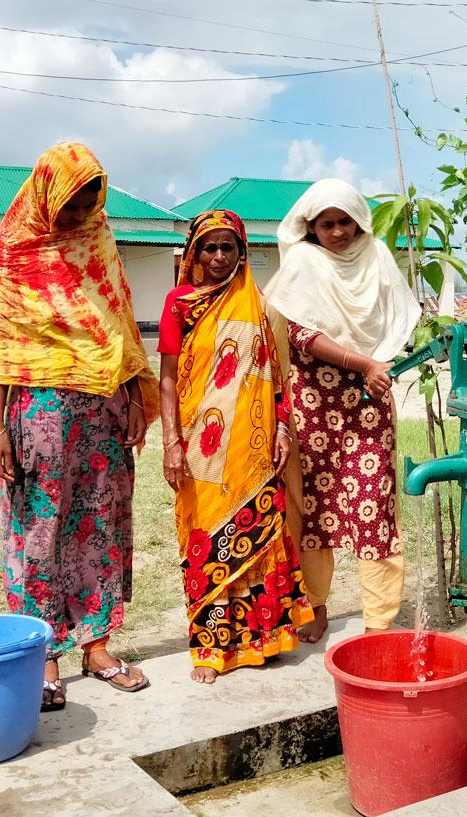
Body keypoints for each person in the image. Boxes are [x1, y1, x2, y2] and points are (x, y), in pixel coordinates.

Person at [0, 141, 158, 711]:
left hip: (101, 407)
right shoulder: (14, 247)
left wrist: (131, 397)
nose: (80, 214)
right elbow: (2, 341)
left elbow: (119, 320)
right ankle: (44, 653)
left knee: (99, 524)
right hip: (38, 413)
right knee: (40, 533)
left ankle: (97, 644)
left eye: (89, 201)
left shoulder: (98, 241)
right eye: (72, 202)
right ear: (49, 192)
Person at [157, 209, 315, 684]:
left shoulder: (261, 305)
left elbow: (280, 379)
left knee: (261, 537)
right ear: (194, 253)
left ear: (242, 252)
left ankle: (262, 638)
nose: (220, 256)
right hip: (201, 449)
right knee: (206, 540)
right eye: (210, 247)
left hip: (253, 446)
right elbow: (167, 379)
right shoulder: (180, 303)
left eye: (229, 247)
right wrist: (170, 442)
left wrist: (284, 430)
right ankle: (211, 647)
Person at [264, 178, 420, 640]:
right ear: (310, 227)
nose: (337, 232)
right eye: (327, 224)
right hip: (313, 400)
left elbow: (397, 320)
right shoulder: (303, 262)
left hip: (370, 401)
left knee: (374, 508)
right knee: (313, 507)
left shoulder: (378, 259)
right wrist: (364, 360)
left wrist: (380, 362)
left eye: (345, 222)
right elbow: (299, 334)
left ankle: (379, 620)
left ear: (359, 220)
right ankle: (316, 606)